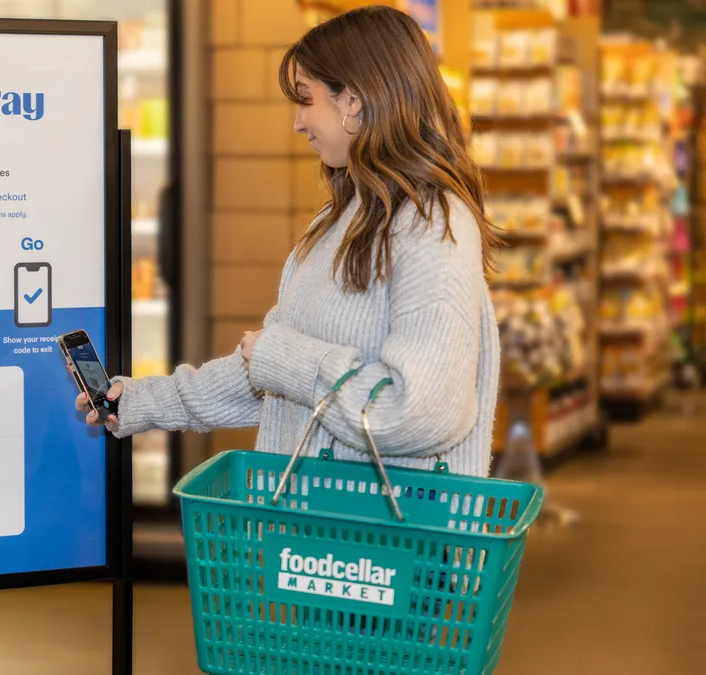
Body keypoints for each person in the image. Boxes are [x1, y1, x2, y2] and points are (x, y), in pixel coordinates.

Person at [77, 5, 501, 477]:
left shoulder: (433, 224)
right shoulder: (343, 218)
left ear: (354, 100)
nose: (297, 123)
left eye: (306, 99)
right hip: (319, 537)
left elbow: (420, 412)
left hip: (388, 543)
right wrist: (141, 401)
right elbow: (268, 376)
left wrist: (285, 357)